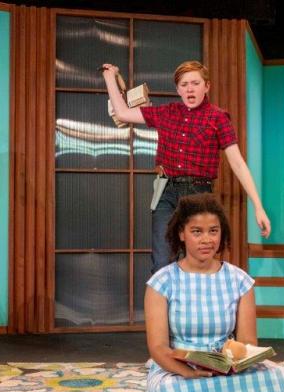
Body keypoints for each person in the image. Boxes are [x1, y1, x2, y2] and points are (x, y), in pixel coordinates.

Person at [136, 193, 284, 392]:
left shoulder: (240, 281)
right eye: (197, 231)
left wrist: (231, 364)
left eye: (213, 231)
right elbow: (158, 348)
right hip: (178, 366)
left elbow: (247, 343)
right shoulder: (161, 282)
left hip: (227, 366)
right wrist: (188, 372)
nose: (206, 239)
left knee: (282, 378)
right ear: (181, 234)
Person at [101, 60, 271, 273]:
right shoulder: (167, 112)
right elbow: (123, 113)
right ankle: (163, 307)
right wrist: (110, 78)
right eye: (184, 84)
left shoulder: (218, 118)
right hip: (166, 191)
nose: (189, 88)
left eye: (195, 83)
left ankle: (193, 306)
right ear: (178, 89)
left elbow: (237, 162)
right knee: (162, 262)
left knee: (197, 260)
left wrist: (258, 206)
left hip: (198, 194)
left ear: (206, 86)